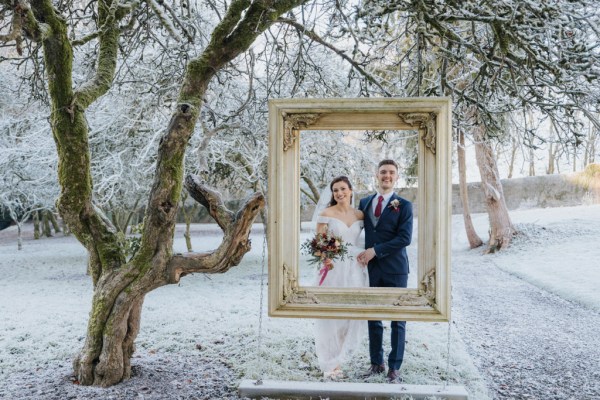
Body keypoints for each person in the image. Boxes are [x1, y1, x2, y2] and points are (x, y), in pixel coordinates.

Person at [357, 159, 413, 383]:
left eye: (391, 172)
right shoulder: (364, 202)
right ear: (376, 175)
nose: (386, 176)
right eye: (383, 172)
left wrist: (375, 251)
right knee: (373, 318)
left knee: (398, 320)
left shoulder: (404, 205)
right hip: (370, 270)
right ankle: (376, 363)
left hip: (396, 270)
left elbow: (404, 238)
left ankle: (394, 368)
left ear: (397, 176)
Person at [312, 176, 369, 379]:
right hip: (334, 268)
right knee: (331, 316)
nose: (339, 193)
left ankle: (339, 359)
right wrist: (326, 257)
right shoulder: (326, 213)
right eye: (335, 190)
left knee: (349, 316)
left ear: (351, 190)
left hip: (355, 269)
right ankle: (330, 364)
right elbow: (318, 243)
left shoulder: (361, 215)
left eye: (343, 189)